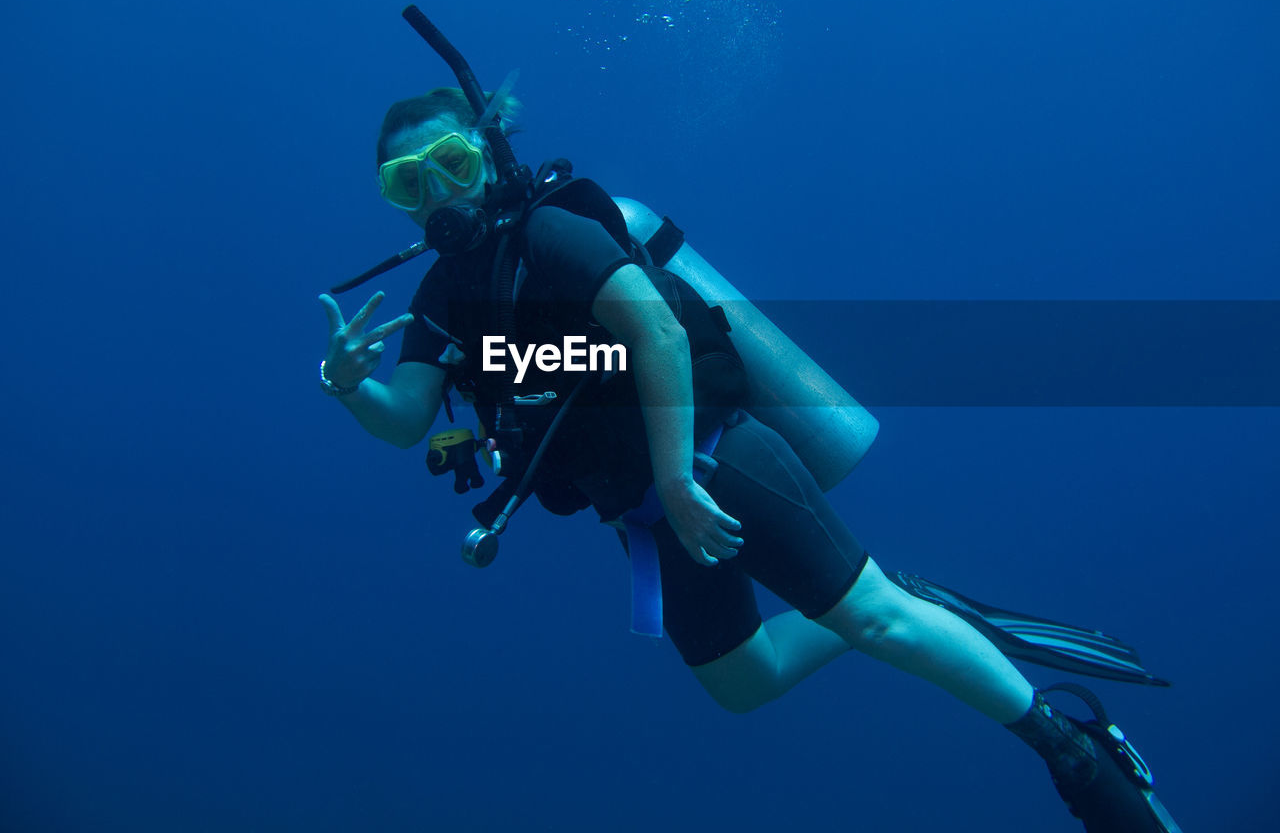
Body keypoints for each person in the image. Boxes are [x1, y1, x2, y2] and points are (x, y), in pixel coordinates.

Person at [318, 85, 1176, 832]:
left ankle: (1071, 751)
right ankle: (901, 590)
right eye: (407, 181)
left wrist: (680, 479)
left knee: (872, 621)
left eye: (450, 163)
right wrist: (350, 384)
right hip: (650, 507)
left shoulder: (552, 235)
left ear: (488, 150)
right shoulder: (441, 299)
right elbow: (405, 421)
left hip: (714, 459)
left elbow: (654, 330)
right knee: (744, 682)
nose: (436, 193)